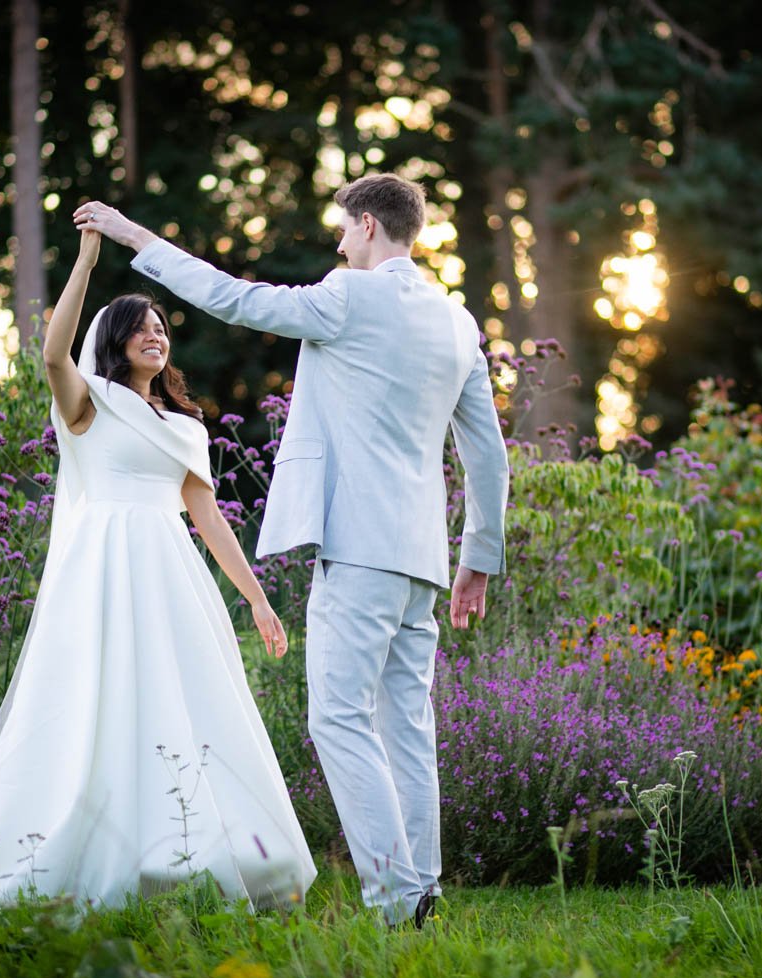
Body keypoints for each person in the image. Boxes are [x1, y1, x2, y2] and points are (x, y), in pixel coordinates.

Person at [74, 173, 510, 928]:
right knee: (407, 726)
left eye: (344, 230)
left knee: (337, 720)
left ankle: (398, 898)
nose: (339, 243)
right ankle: (424, 888)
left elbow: (235, 298)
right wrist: (479, 556)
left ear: (370, 227)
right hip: (423, 562)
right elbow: (489, 456)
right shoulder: (458, 321)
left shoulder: (348, 295)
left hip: (362, 551)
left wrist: (135, 237)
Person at [0, 228, 316, 910]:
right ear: (116, 340)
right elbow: (51, 353)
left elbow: (207, 517)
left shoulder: (188, 425)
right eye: (140, 328)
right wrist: (86, 261)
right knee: (94, 702)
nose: (154, 336)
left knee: (181, 704)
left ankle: (188, 851)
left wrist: (255, 597)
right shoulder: (88, 403)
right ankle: (72, 845)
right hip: (100, 572)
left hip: (169, 573)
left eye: (161, 327)